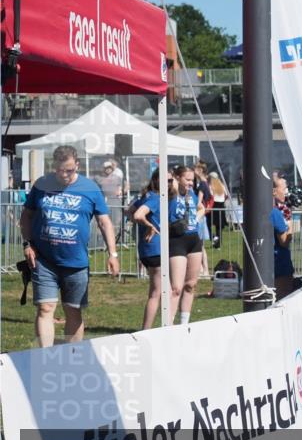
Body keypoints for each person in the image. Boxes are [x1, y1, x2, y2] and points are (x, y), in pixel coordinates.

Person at [19, 145, 119, 346]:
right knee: (45, 308)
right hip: (44, 260)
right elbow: (26, 216)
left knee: (72, 310)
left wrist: (113, 254)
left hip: (76, 263)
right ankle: (46, 357)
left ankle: (71, 355)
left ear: (78, 166)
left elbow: (104, 222)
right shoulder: (41, 185)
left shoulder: (90, 188)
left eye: (69, 170)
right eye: (60, 170)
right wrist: (27, 244)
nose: (64, 174)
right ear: (53, 166)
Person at [129, 170, 179, 329]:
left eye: (171, 181)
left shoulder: (149, 195)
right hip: (155, 249)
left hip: (148, 249)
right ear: (156, 180)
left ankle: (156, 328)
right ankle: (150, 329)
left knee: (160, 291)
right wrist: (149, 226)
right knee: (158, 293)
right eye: (166, 180)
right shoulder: (156, 198)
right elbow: (137, 215)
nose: (169, 184)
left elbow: (129, 211)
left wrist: (144, 225)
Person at [170, 165, 204, 325]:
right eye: (187, 179)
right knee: (176, 287)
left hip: (193, 240)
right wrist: (174, 183)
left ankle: (184, 324)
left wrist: (195, 219)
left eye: (192, 180)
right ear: (177, 178)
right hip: (176, 241)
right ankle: (167, 325)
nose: (191, 183)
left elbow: (201, 207)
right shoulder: (171, 193)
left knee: (191, 284)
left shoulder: (192, 194)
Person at [271, 176, 295, 299]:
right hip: (280, 263)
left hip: (269, 264)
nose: (286, 192)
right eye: (284, 189)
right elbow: (284, 241)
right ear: (274, 191)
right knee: (284, 298)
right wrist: (291, 226)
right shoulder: (274, 213)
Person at [209, 172, 228, 249]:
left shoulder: (211, 186)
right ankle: (218, 243)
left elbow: (210, 196)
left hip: (214, 206)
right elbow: (226, 195)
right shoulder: (222, 185)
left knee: (208, 225)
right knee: (219, 227)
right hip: (221, 206)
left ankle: (215, 241)